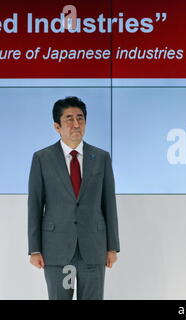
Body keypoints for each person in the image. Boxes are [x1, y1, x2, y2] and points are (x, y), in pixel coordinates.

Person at [28, 96, 120, 300]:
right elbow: (35, 205)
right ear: (56, 126)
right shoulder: (42, 158)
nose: (76, 124)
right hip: (57, 249)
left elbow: (109, 204)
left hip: (93, 247)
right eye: (69, 118)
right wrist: (34, 249)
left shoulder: (101, 157)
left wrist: (112, 246)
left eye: (80, 118)